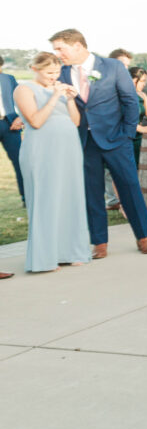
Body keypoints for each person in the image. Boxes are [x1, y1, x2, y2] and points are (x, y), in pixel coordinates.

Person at [50, 29, 147, 259]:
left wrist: (127, 134)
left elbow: (129, 100)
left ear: (77, 45)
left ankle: (144, 237)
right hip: (84, 141)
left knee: (129, 188)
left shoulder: (113, 67)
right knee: (92, 193)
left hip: (117, 140)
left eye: (60, 48)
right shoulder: (63, 72)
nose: (57, 54)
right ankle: (99, 242)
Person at [13, 52, 91, 272]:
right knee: (46, 199)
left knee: (70, 198)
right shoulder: (24, 89)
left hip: (69, 149)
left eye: (56, 72)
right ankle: (46, 258)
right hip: (42, 150)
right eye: (48, 72)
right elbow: (36, 121)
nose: (53, 76)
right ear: (35, 69)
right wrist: (55, 96)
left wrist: (69, 99)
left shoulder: (59, 89)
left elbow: (75, 121)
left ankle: (71, 251)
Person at [0, 54, 25, 205]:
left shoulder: (8, 79)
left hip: (9, 125)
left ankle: (27, 198)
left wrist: (21, 117)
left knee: (20, 161)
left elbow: (24, 98)